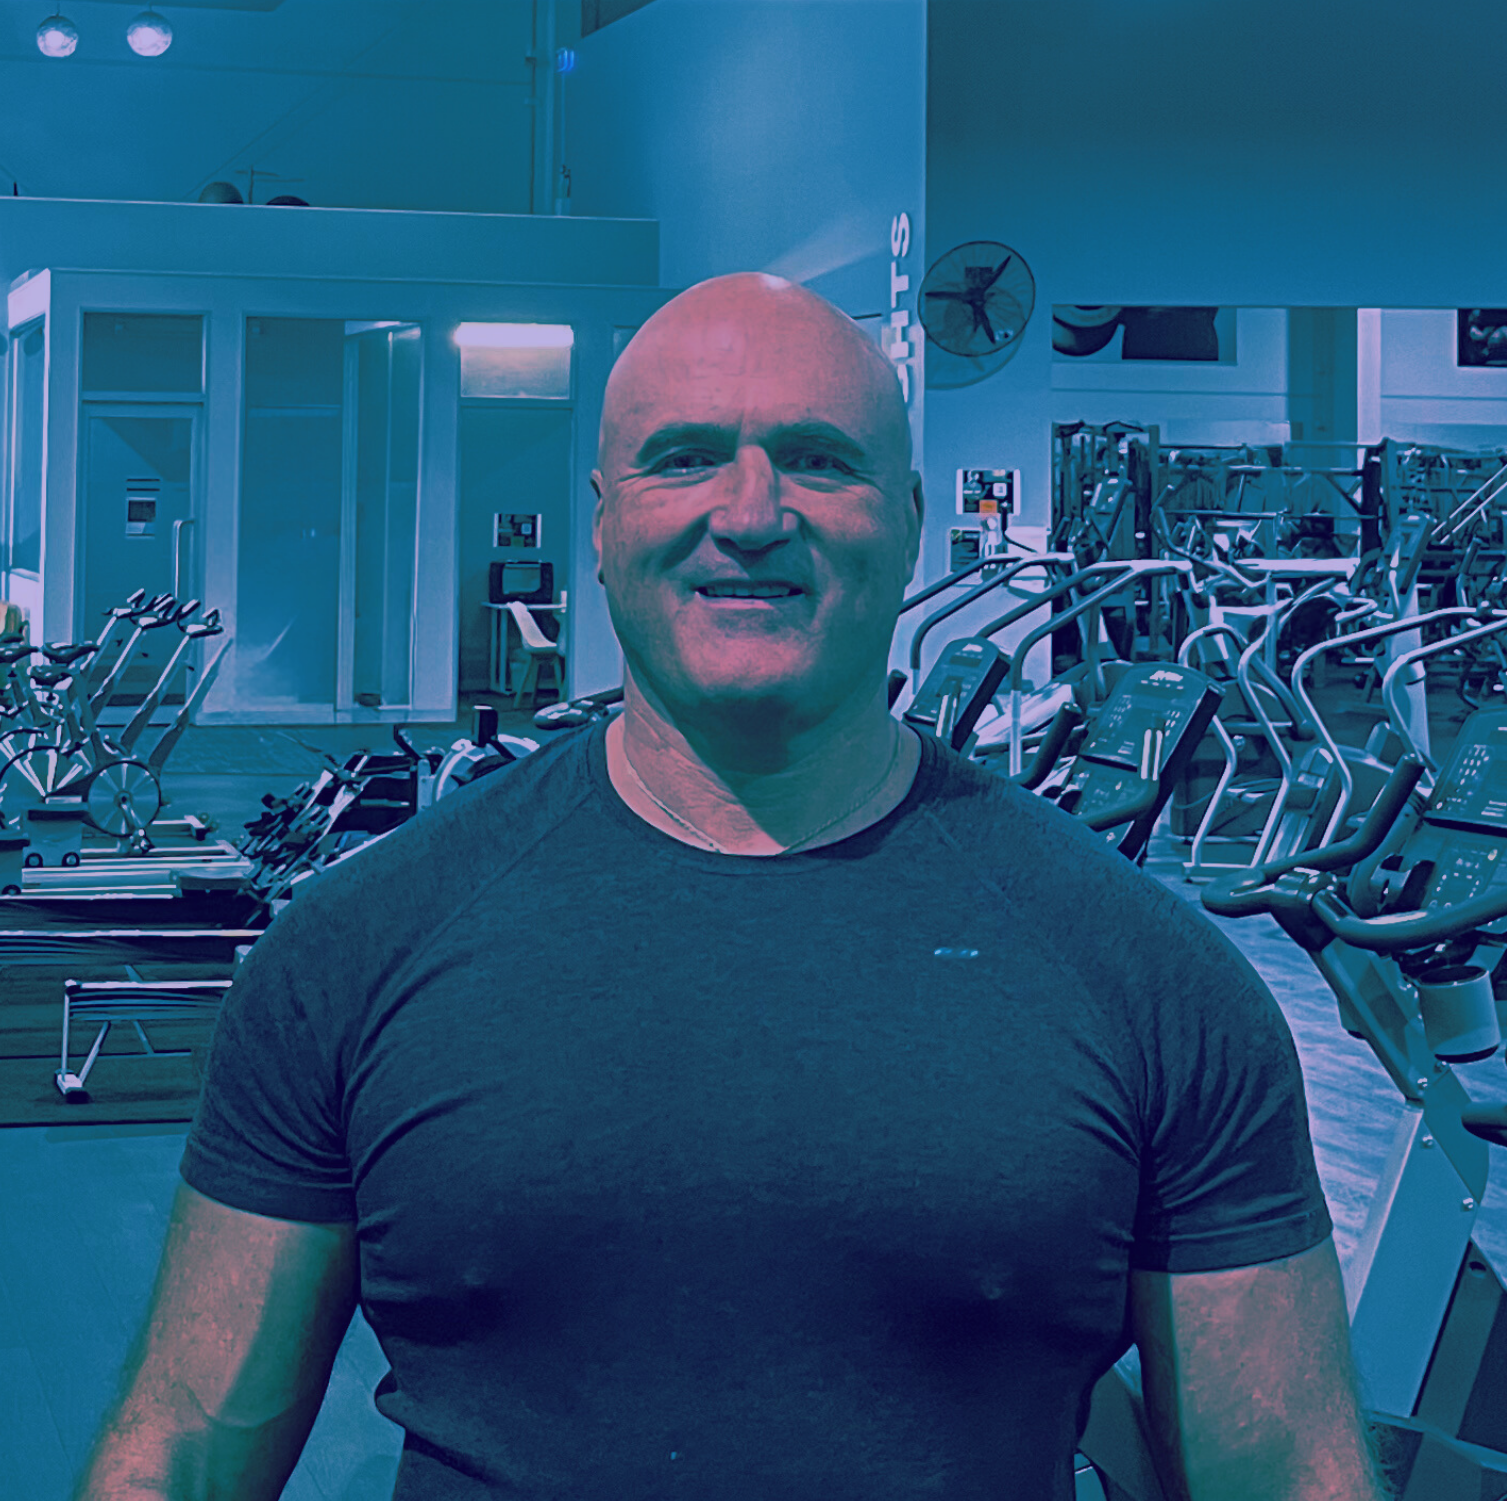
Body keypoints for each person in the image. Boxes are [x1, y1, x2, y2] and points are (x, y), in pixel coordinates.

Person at [75, 273, 1386, 1501]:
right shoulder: (354, 951)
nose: (750, 514)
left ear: (912, 522)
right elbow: (183, 1440)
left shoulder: (1151, 980)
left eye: (820, 460)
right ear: (599, 521)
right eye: (683, 455)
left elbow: (1287, 1475)